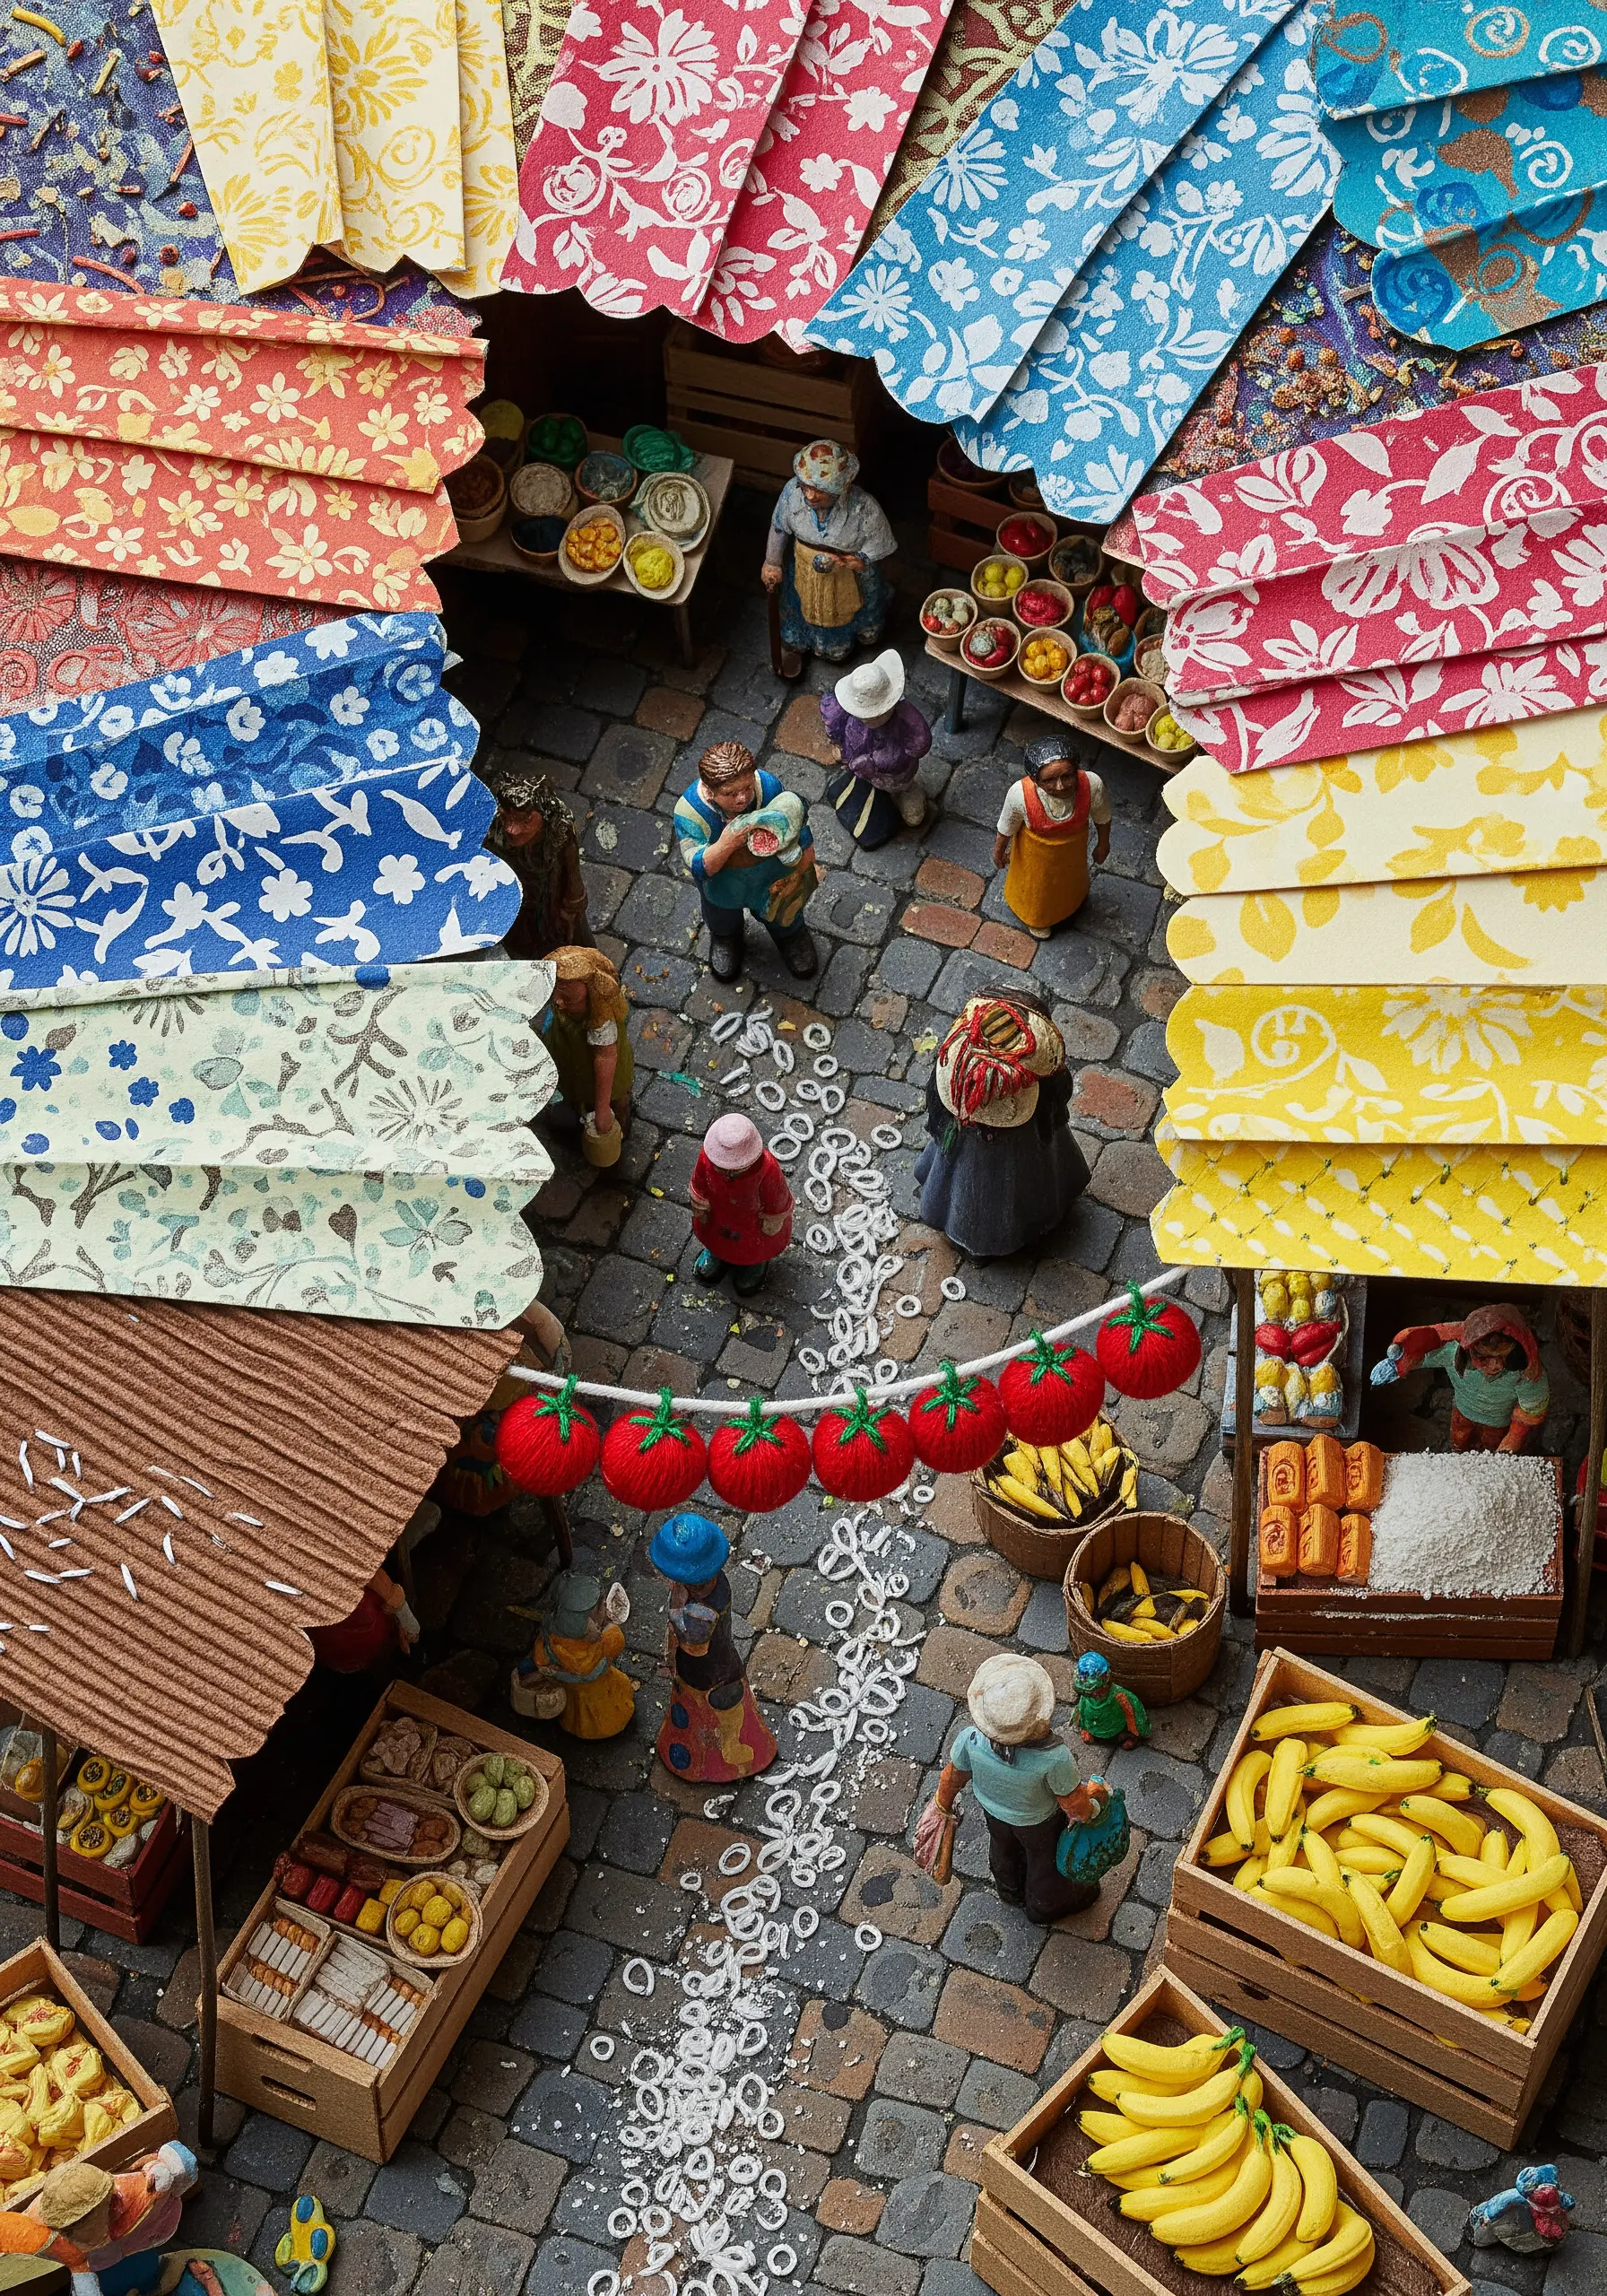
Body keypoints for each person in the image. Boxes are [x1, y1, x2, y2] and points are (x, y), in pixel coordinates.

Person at [911, 1654, 1121, 1922]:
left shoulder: (970, 1740)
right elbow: (1075, 1806)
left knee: (1002, 1846)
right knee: (1044, 1861)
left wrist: (942, 1805)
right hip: (1039, 1823)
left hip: (994, 1813)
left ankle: (1009, 1889)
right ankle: (1043, 1906)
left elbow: (952, 1777)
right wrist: (1096, 1798)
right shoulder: (1054, 1759)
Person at [914, 987, 1090, 1258]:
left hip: (983, 1146)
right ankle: (1010, 1232)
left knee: (965, 1190)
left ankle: (972, 1236)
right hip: (1023, 1148)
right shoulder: (1045, 1093)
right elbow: (1057, 1103)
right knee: (994, 1189)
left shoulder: (954, 1100)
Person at [674, 739, 819, 984]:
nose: (742, 799)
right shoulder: (690, 812)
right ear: (710, 791)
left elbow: (793, 823)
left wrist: (804, 864)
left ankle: (790, 934)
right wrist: (727, 842)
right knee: (722, 916)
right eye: (730, 794)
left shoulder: (769, 787)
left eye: (747, 788)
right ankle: (727, 938)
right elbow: (699, 866)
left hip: (770, 872)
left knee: (783, 910)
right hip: (723, 882)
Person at [650, 1510, 777, 1781]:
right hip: (719, 1666)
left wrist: (675, 1611)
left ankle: (717, 1764)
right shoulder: (720, 1584)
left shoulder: (701, 1613)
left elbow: (695, 1648)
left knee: (714, 1721)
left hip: (705, 1677)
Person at [761, 439, 896, 668]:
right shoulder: (791, 495)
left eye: (820, 490)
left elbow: (880, 542)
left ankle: (843, 638)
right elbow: (779, 527)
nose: (811, 496)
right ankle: (801, 634)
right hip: (804, 567)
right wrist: (772, 562)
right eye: (806, 486)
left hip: (847, 573)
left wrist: (860, 559)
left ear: (840, 490)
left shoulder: (864, 507)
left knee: (849, 610)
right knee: (799, 602)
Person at [1369, 1303, 1550, 1452]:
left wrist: (1511, 1443)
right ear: (1468, 1349)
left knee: (1491, 1448)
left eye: (1504, 1357)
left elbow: (1530, 1411)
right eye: (1483, 1357)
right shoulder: (1451, 1351)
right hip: (1462, 1413)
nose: (1495, 1366)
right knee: (1459, 1439)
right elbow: (1423, 1353)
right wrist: (1399, 1365)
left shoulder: (1525, 1374)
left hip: (1498, 1423)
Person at [993, 731, 1111, 938]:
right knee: (1037, 892)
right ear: (1035, 780)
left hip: (1072, 854)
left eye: (1067, 776)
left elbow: (1102, 817)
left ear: (1076, 769)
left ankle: (1073, 901)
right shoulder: (1019, 795)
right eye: (1049, 780)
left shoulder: (1092, 786)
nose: (1061, 786)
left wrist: (1103, 844)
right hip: (1036, 859)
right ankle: (1038, 919)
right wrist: (999, 851)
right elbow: (1006, 827)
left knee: (1070, 883)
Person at [820, 648, 934, 845]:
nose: (870, 718)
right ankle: (865, 791)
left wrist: (881, 762)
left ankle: (903, 794)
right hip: (860, 767)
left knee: (914, 816)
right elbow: (833, 715)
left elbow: (920, 743)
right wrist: (840, 745)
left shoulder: (903, 716)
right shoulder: (850, 715)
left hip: (895, 778)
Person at [511, 1563, 635, 1738]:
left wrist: (554, 1673)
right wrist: (609, 1627)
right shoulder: (607, 1641)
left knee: (577, 1712)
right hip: (597, 1691)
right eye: (600, 1608)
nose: (604, 1608)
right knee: (602, 1710)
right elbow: (611, 1650)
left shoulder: (552, 1641)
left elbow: (541, 1659)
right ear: (587, 1627)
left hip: (574, 1691)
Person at [482, 763, 591, 960]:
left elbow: (572, 875)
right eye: (508, 819)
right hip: (517, 906)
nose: (512, 830)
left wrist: (573, 907)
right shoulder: (494, 834)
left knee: (567, 947)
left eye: (525, 821)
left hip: (550, 903)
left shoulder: (559, 833)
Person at [539, 944, 634, 1161]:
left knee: (615, 1097)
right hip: (570, 1061)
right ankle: (577, 1107)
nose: (558, 1003)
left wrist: (602, 1110)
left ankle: (619, 1119)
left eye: (569, 1000)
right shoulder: (561, 1003)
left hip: (594, 1072)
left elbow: (605, 1057)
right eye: (555, 994)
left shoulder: (601, 1024)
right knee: (575, 1093)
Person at [690, 1112, 794, 1296]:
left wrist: (773, 1220)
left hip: (751, 1224)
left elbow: (778, 1198)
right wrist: (699, 1201)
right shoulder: (706, 1160)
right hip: (718, 1216)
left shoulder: (767, 1169)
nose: (726, 1171)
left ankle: (753, 1266)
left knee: (753, 1249)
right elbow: (699, 1182)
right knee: (716, 1240)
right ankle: (716, 1256)